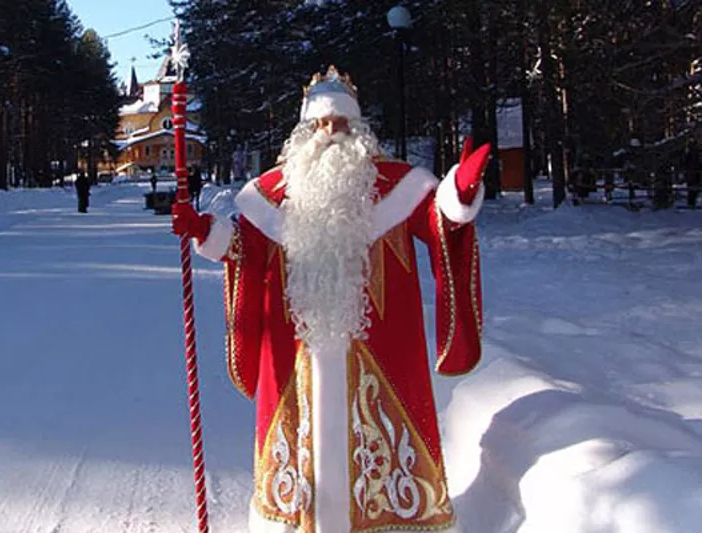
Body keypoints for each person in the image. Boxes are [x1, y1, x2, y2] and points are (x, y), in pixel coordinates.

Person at [172, 65, 489, 533]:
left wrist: (460, 192)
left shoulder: (399, 185)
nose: (329, 133)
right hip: (295, 354)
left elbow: (440, 218)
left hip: (380, 356)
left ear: (357, 127)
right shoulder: (271, 193)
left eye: (339, 123)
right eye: (319, 124)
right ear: (304, 130)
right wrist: (206, 232)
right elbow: (245, 248)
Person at [686, 137, 700, 209]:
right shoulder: (691, 153)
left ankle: (691, 203)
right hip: (692, 172)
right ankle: (691, 203)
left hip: (693, 172)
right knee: (693, 188)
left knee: (693, 188)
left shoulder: (691, 153)